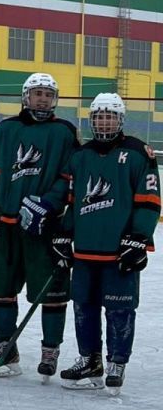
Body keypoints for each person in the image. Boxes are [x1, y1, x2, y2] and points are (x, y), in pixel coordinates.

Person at [0, 72, 78, 377]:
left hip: (45, 229)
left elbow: (69, 175)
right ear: (26, 97)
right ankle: (6, 350)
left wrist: (48, 203)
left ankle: (50, 352)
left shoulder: (64, 132)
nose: (43, 99)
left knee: (52, 293)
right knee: (3, 290)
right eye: (37, 93)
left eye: (48, 94)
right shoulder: (6, 129)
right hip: (7, 224)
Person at [59, 93, 160, 393]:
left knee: (120, 309)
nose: (104, 122)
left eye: (110, 116)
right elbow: (71, 201)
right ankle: (89, 360)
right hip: (86, 250)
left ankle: (117, 362)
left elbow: (150, 201)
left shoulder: (138, 153)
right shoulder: (80, 155)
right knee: (83, 307)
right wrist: (64, 234)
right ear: (91, 120)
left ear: (121, 119)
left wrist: (139, 238)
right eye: (99, 116)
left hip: (119, 250)